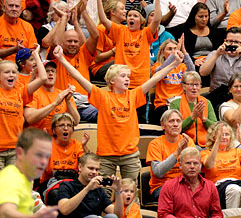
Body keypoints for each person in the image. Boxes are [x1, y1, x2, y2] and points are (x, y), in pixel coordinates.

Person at [53, 37, 184, 181]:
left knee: (131, 193)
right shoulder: (102, 95)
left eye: (128, 76)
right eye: (123, 76)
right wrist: (61, 59)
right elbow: (79, 77)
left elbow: (156, 77)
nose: (127, 79)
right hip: (106, 155)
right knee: (105, 194)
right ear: (112, 81)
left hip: (130, 154)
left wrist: (175, 63)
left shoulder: (134, 95)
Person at [0, 128, 57, 218]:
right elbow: (5, 211)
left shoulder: (26, 180)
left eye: (47, 156)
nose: (44, 162)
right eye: (39, 155)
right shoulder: (11, 177)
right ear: (20, 153)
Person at [157, 146, 223, 218]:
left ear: (200, 166)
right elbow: (163, 214)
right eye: (188, 163)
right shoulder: (169, 186)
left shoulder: (210, 186)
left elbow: (217, 214)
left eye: (195, 163)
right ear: (180, 165)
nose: (192, 166)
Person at [55, 153, 123, 218]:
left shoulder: (98, 189)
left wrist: (118, 191)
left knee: (112, 216)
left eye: (97, 169)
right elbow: (64, 210)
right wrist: (87, 188)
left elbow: (117, 215)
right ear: (80, 167)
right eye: (91, 168)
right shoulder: (66, 186)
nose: (94, 172)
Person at [200, 122, 241, 211]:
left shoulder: (237, 151)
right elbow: (209, 165)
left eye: (227, 134)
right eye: (221, 135)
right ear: (213, 137)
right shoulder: (206, 153)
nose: (224, 137)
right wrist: (217, 143)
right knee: (234, 189)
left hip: (238, 182)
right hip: (218, 186)